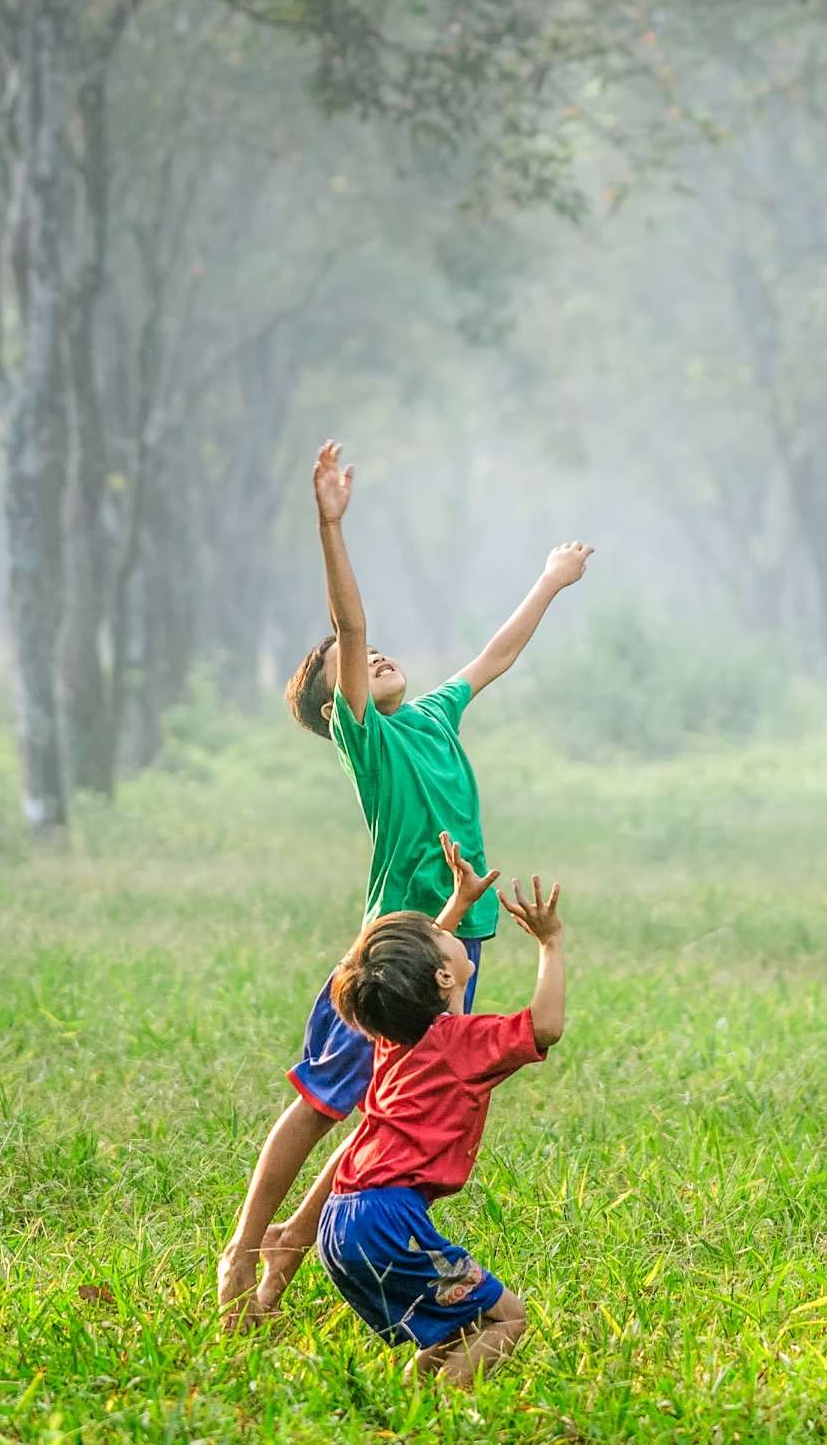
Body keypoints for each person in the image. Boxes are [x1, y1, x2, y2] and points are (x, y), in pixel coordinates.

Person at [216, 438, 592, 1324]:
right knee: (319, 1104)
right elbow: (348, 626)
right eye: (347, 664)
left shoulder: (430, 715)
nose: (372, 654)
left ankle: (278, 1276)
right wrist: (329, 524)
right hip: (392, 951)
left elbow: (494, 656)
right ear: (331, 705)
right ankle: (244, 1255)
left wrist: (549, 581)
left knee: (386, 1120)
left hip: (454, 945)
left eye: (379, 651)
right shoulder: (369, 740)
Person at [314, 850, 567, 1385]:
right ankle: (441, 1419)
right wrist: (551, 943)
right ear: (444, 974)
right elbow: (545, 1026)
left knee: (459, 1323)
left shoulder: (395, 1031)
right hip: (389, 1225)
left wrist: (457, 903)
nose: (444, 930)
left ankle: (409, 1400)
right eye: (442, 935)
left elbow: (414, 971)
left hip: (342, 1221)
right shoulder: (461, 1044)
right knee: (509, 1318)